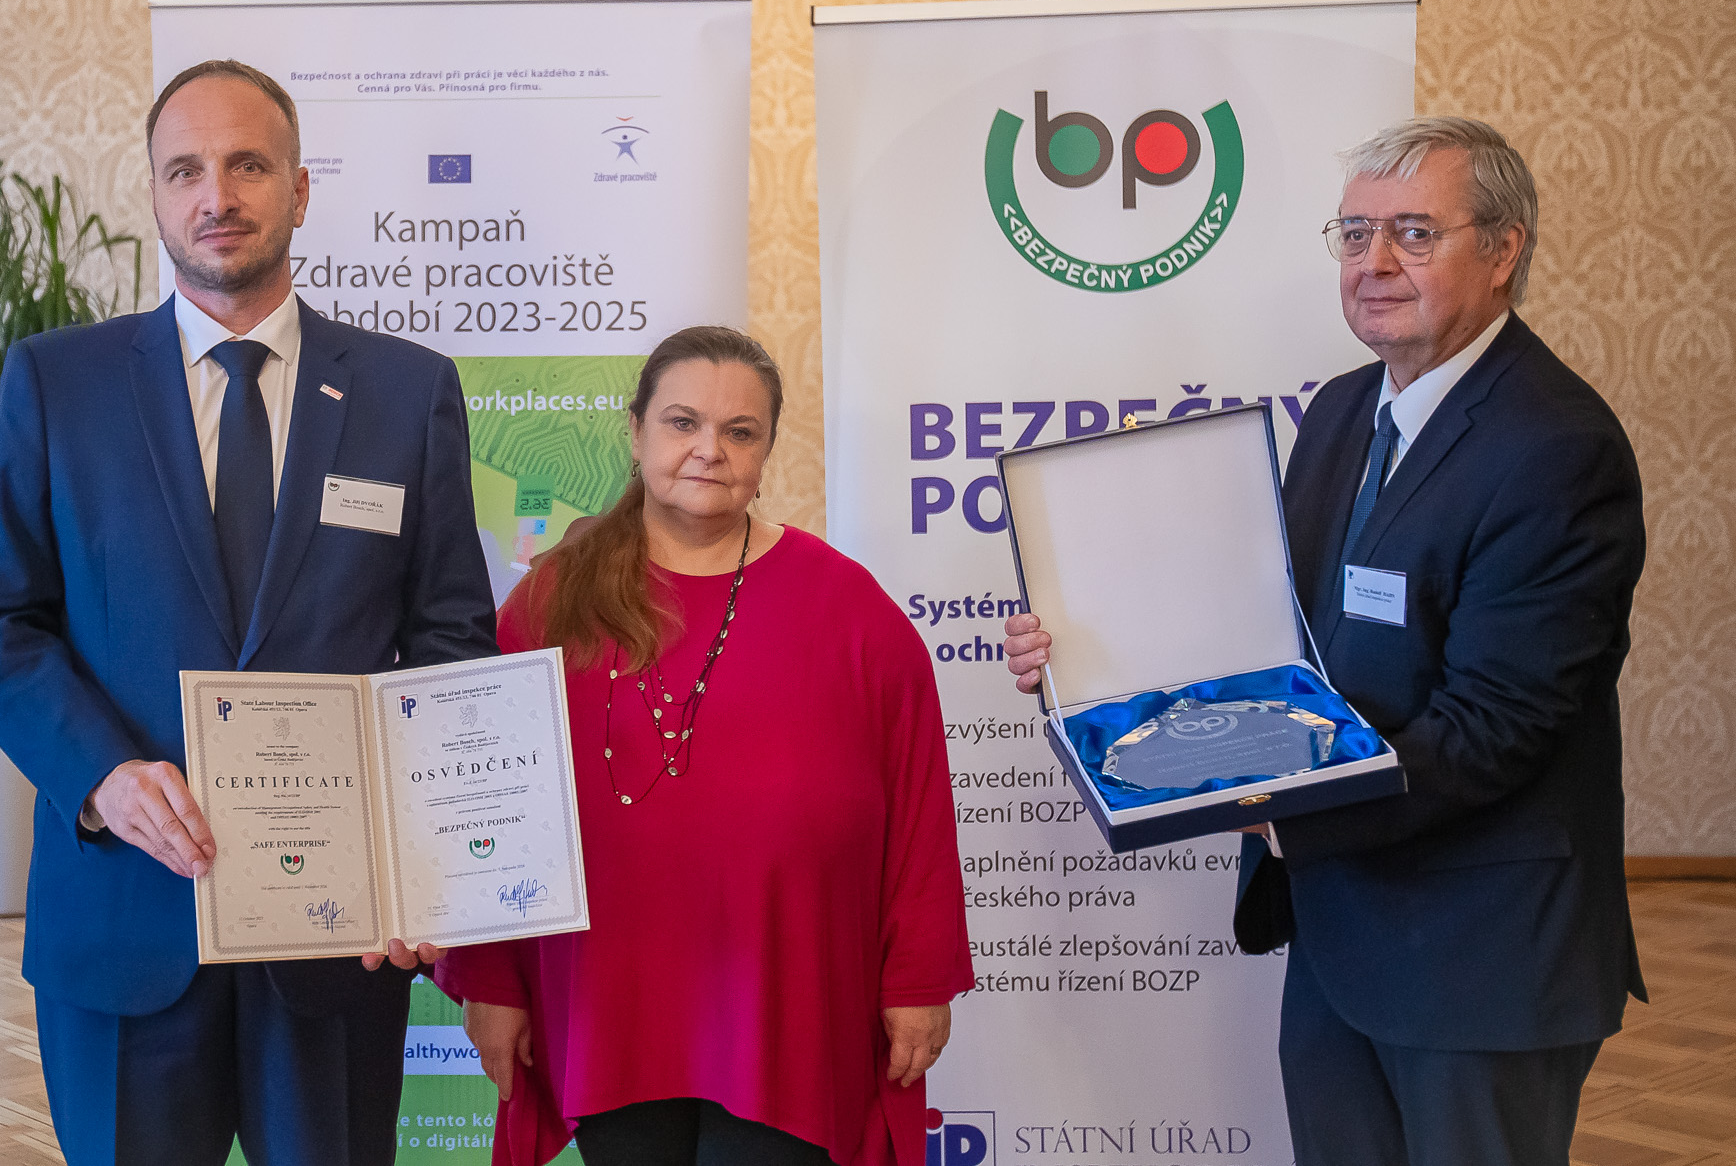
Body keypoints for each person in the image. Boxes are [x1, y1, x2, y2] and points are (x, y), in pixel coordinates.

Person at [1005, 117, 1645, 1166]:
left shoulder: (1555, 447)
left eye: (1412, 233)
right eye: (1353, 233)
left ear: (1502, 250)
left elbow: (1498, 725)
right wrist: (1086, 656)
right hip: (1341, 936)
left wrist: (1278, 813)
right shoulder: (1346, 410)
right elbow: (1279, 632)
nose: (1373, 262)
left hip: (1480, 952)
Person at [0, 59, 497, 1166]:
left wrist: (422, 860)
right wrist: (102, 775)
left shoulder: (406, 389)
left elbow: (447, 641)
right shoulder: (58, 382)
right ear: (154, 195)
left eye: (248, 164)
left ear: (300, 189)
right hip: (123, 914)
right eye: (185, 170)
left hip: (333, 935)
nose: (217, 195)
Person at [431, 326, 973, 1166]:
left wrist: (917, 979)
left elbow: (919, 807)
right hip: (611, 995)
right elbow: (486, 807)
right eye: (682, 422)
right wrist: (493, 981)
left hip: (789, 1000)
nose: (708, 449)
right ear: (636, 431)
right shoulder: (548, 604)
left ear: (767, 449)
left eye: (739, 431)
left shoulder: (851, 607)